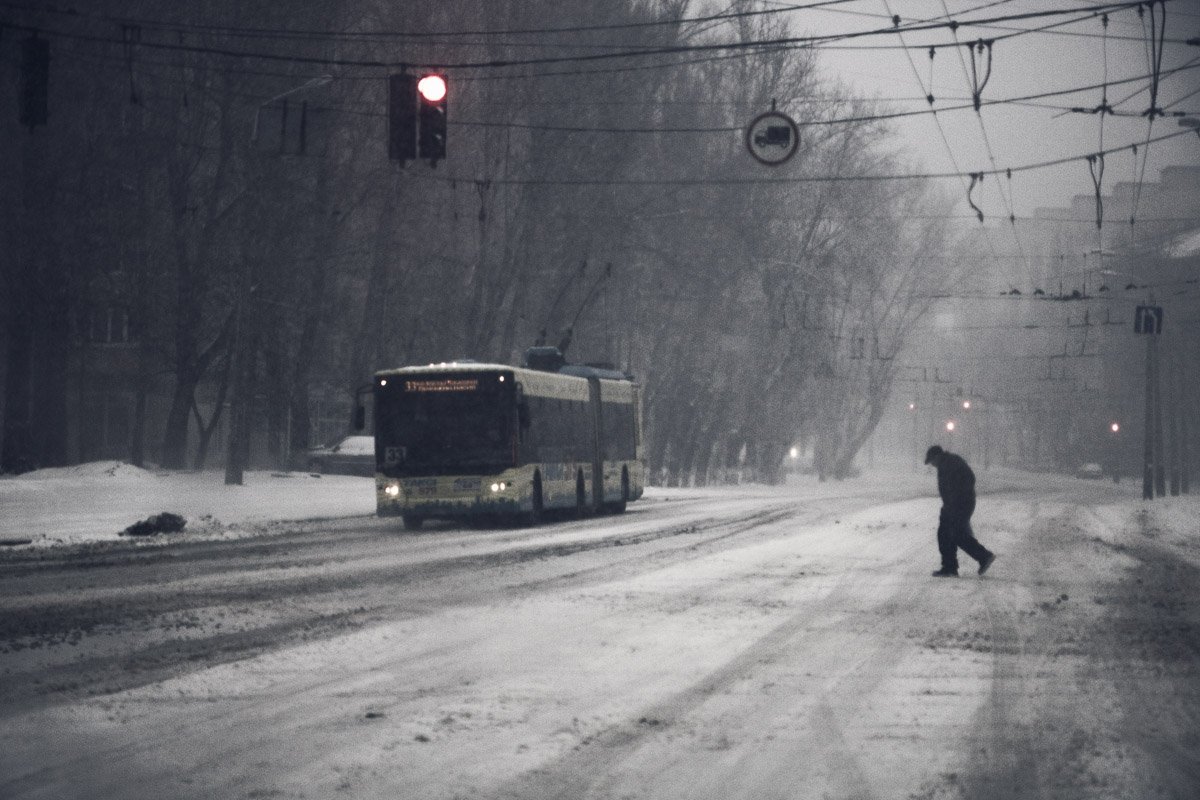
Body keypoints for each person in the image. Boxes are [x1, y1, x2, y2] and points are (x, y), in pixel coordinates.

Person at [924, 445, 995, 577]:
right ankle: (949, 567)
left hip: (961, 504)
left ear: (937, 456)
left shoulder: (950, 463)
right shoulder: (946, 464)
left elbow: (969, 478)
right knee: (944, 534)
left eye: (932, 461)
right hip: (953, 505)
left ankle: (983, 556)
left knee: (956, 534)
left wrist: (958, 498)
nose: (932, 465)